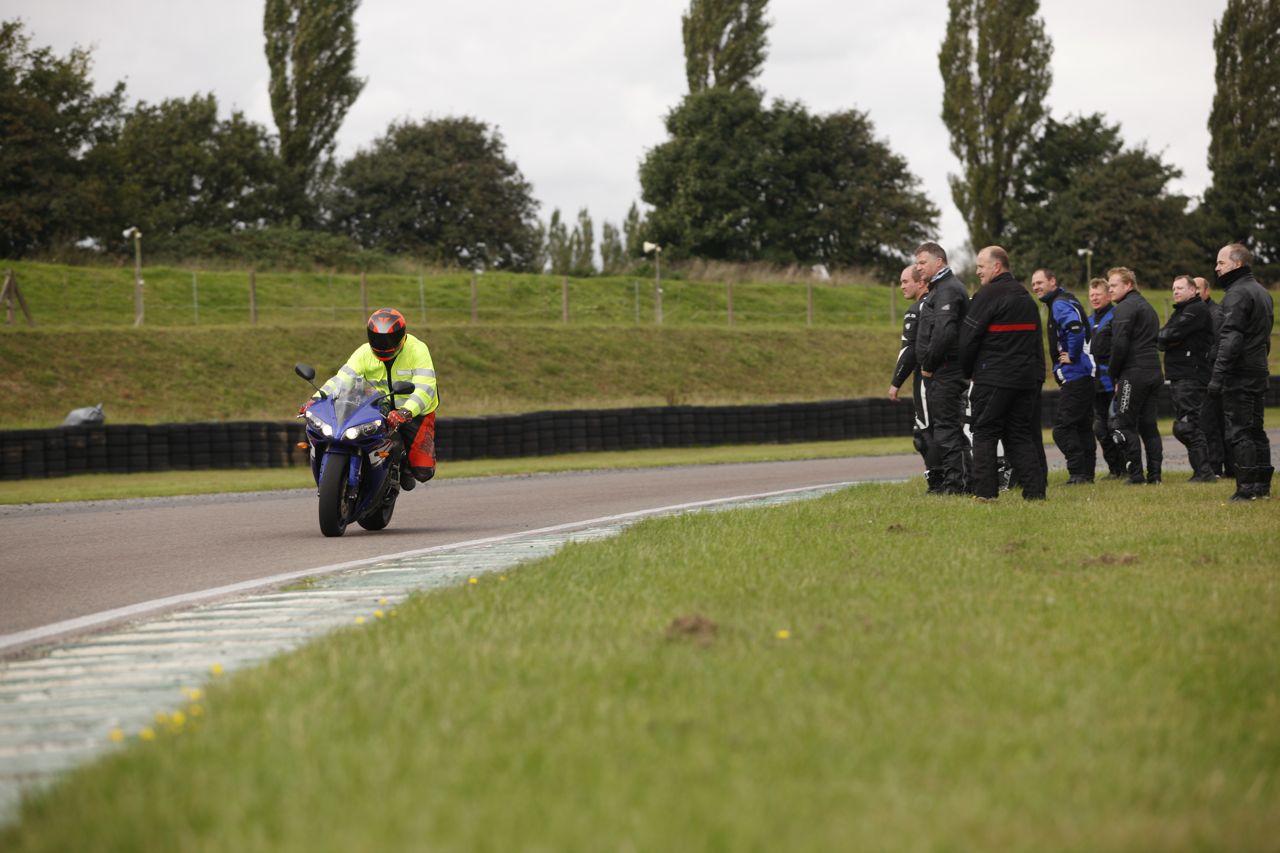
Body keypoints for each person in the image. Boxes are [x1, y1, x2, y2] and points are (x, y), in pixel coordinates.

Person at [304, 308, 439, 490]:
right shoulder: (364, 352)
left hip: (413, 412)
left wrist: (406, 411)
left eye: (389, 339)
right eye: (377, 338)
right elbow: (342, 379)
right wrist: (315, 399)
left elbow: (425, 387)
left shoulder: (418, 350)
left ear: (402, 335)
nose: (383, 344)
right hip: (377, 407)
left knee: (423, 471)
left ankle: (404, 466)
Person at [958, 246, 1047, 501]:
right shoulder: (1025, 297)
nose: (977, 272)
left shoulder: (986, 295)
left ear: (996, 267)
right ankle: (1035, 493)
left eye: (981, 267)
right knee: (1018, 434)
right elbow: (1035, 343)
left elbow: (967, 339)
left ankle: (985, 494)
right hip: (1025, 379)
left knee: (984, 431)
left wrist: (968, 372)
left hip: (993, 377)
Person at [1209, 243, 1274, 501]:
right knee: (1256, 429)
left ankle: (1246, 490)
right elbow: (1265, 340)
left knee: (1239, 431)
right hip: (1258, 369)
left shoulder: (1236, 294)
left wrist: (1217, 376)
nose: (1216, 268)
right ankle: (1262, 487)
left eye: (1220, 263)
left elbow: (1231, 339)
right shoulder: (1262, 292)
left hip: (1240, 373)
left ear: (1236, 264)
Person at [912, 242, 971, 494]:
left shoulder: (947, 289)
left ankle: (955, 485)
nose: (918, 267)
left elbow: (945, 333)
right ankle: (965, 482)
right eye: (917, 262)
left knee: (946, 429)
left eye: (922, 262)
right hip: (945, 369)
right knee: (949, 428)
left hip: (946, 370)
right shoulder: (940, 289)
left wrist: (929, 363)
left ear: (939, 262)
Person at [1031, 268, 1096, 484]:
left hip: (1077, 374)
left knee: (1062, 429)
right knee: (1083, 426)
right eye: (1033, 284)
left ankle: (1077, 473)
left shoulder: (1059, 303)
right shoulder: (1064, 300)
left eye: (1040, 282)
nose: (1036, 287)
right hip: (1085, 374)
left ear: (1053, 281)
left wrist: (1072, 355)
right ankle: (1086, 475)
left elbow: (1075, 328)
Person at [1106, 267, 1164, 484]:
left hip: (1134, 372)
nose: (1109, 290)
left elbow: (1119, 345)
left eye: (1113, 285)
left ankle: (1136, 475)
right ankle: (1155, 476)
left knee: (1122, 424)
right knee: (1149, 425)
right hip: (1154, 371)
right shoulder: (1148, 307)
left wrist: (1113, 375)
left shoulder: (1124, 308)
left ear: (1128, 285)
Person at [1157, 275, 1217, 482]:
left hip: (1191, 376)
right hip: (1179, 376)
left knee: (1188, 425)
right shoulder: (1180, 311)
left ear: (1193, 291)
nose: (1175, 291)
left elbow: (1167, 335)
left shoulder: (1196, 309)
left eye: (1180, 288)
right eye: (1173, 288)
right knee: (1186, 424)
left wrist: (1170, 338)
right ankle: (1202, 471)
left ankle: (1205, 472)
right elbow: (1162, 339)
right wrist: (1169, 338)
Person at [889, 265, 935, 490]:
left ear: (921, 283)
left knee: (925, 432)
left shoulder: (917, 309)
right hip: (952, 377)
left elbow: (909, 350)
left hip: (927, 378)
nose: (902, 286)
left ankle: (939, 483)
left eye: (906, 281)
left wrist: (896, 382)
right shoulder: (942, 302)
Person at [1085, 278, 1126, 478]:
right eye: (1091, 295)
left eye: (1098, 294)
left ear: (1108, 295)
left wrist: (1119, 379)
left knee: (1115, 426)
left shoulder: (1115, 316)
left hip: (1113, 382)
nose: (1094, 298)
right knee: (1100, 428)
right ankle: (1114, 469)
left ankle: (1127, 467)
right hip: (1095, 383)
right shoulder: (1089, 320)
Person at [1195, 275, 1233, 478]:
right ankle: (1222, 466)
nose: (1194, 293)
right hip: (1205, 376)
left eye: (1198, 289)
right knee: (1211, 422)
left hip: (1214, 377)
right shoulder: (1196, 313)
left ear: (1207, 291)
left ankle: (1217, 467)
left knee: (1212, 423)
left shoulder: (1214, 313)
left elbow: (1219, 346)